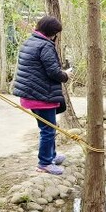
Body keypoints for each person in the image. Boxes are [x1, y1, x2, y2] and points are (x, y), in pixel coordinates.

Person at [13, 16, 71, 175]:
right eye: (56, 34)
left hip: (30, 95)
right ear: (52, 33)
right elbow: (53, 72)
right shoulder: (45, 45)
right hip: (41, 97)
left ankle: (51, 156)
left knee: (49, 127)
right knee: (48, 130)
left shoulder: (30, 41)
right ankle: (44, 163)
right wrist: (65, 75)